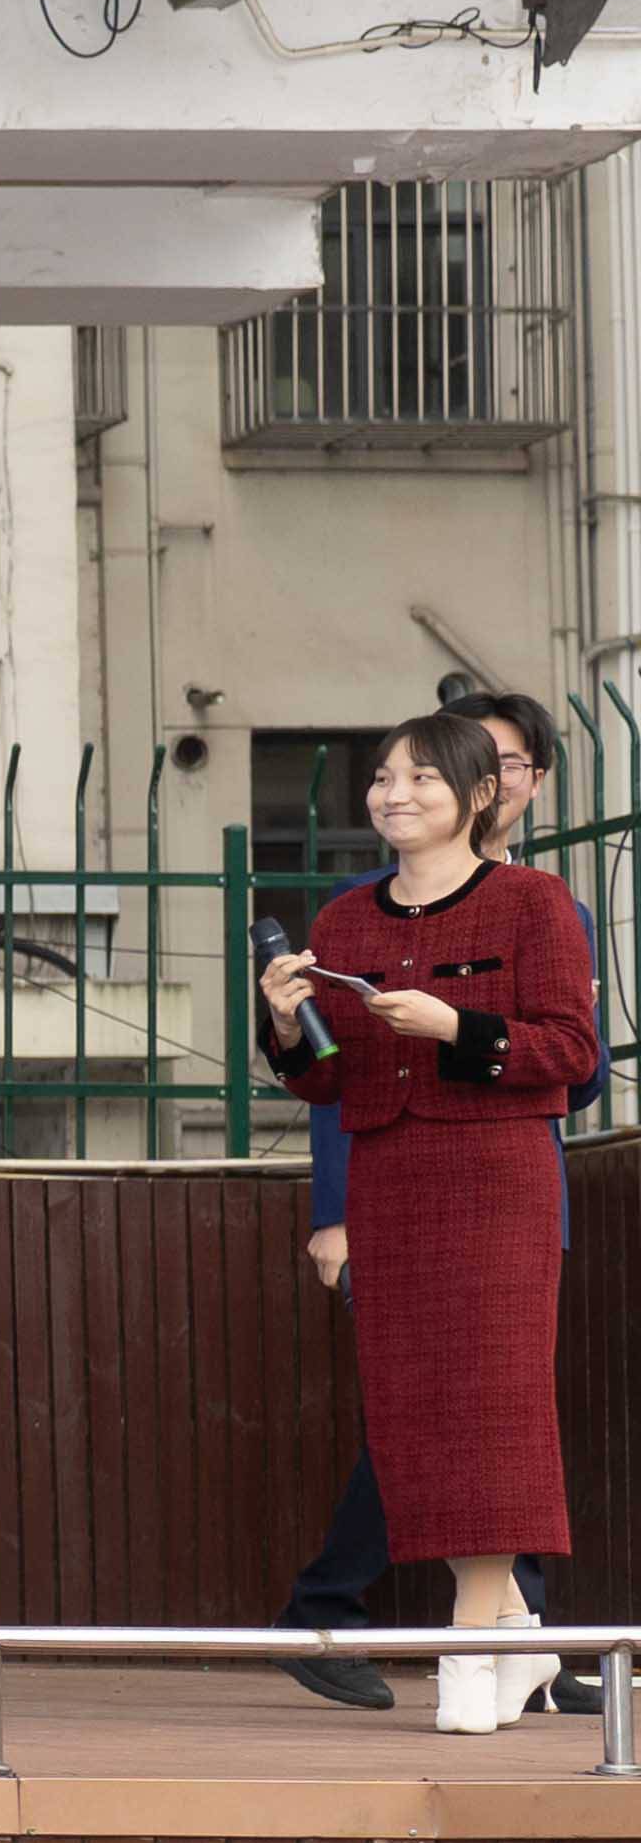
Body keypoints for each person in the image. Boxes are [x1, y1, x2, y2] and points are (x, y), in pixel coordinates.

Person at [258, 709, 601, 1735]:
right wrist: (283, 1021)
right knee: (417, 1413)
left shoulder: (534, 903)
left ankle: (468, 1642)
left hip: (499, 1181)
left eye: (420, 779)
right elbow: (328, 1079)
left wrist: (460, 1027)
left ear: (479, 796)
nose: (393, 795)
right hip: (390, 1183)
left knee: (494, 1408)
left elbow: (573, 1054)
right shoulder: (345, 920)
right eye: (382, 778)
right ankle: (519, 1636)